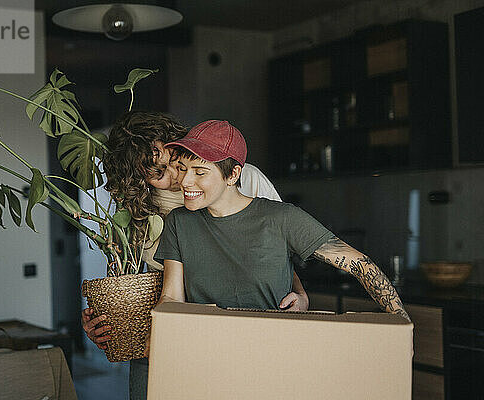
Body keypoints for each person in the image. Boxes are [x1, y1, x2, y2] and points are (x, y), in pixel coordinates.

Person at [81, 111, 309, 400]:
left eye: (174, 159)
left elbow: (278, 253)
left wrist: (300, 294)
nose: (179, 177)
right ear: (139, 178)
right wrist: (101, 319)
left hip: (240, 337)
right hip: (161, 339)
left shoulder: (243, 177)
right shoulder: (138, 210)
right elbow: (127, 282)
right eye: (159, 174)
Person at [149, 119, 410, 352]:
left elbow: (361, 266)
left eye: (199, 172)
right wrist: (158, 334)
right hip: (206, 352)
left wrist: (403, 329)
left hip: (274, 351)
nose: (185, 181)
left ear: (232, 175)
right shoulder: (179, 222)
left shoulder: (282, 217)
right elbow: (171, 297)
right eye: (183, 169)